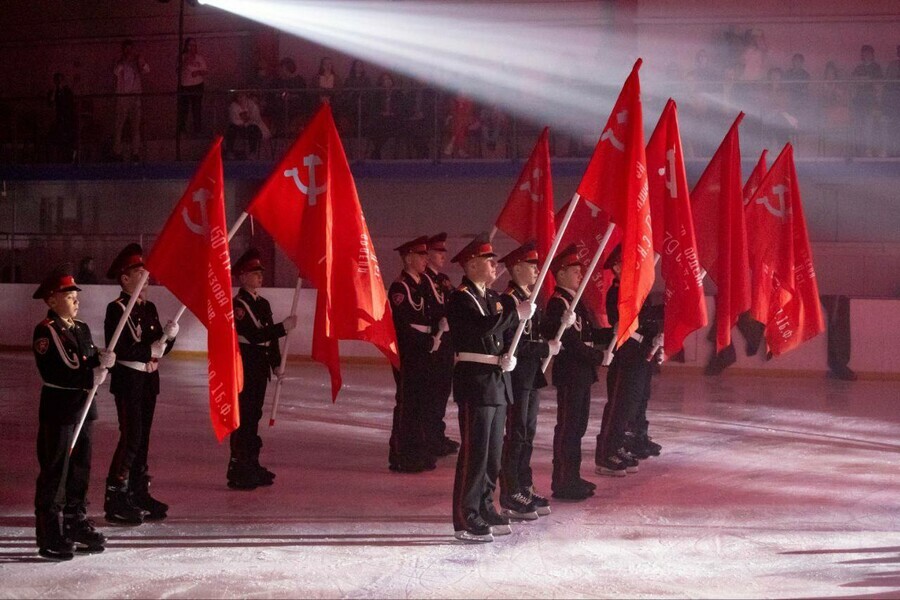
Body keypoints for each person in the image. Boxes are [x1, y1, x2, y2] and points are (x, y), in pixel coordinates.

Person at [447, 233, 533, 542]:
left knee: (493, 455)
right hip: (475, 382)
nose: (495, 264)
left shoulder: (492, 297)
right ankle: (466, 514)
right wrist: (513, 314)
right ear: (471, 266)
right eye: (488, 260)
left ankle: (484, 504)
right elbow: (480, 330)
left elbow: (501, 333)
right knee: (475, 453)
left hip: (497, 382)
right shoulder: (459, 298)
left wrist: (509, 353)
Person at [32, 266, 115, 560]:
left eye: (76, 294)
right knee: (56, 471)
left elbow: (88, 361)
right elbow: (61, 369)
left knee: (80, 470)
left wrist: (103, 359)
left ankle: (75, 522)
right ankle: (49, 532)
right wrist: (92, 373)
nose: (76, 299)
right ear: (52, 300)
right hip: (60, 411)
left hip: (83, 410)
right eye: (69, 294)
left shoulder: (81, 328)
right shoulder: (47, 330)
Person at [104, 244, 177, 524]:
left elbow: (159, 347)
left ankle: (138, 491)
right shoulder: (117, 309)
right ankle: (116, 495)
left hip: (148, 381)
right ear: (125, 279)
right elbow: (120, 348)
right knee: (131, 437)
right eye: (139, 273)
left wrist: (169, 338)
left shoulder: (149, 308)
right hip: (129, 382)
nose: (147, 278)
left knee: (142, 439)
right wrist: (152, 351)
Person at [497, 242, 560, 520]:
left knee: (527, 434)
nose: (537, 271)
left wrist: (561, 324)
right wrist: (546, 349)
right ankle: (511, 491)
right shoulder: (510, 301)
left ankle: (524, 484)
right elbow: (514, 345)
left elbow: (540, 332)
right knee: (517, 434)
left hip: (531, 376)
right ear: (517, 268)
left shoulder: (530, 300)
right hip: (517, 377)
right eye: (532, 266)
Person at [542, 244, 610, 500]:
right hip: (571, 373)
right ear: (560, 274)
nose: (580, 275)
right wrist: (599, 357)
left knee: (578, 427)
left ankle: (573, 475)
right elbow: (571, 343)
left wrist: (613, 333)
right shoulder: (558, 304)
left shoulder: (575, 302)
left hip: (581, 374)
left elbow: (588, 334)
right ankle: (562, 481)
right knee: (568, 427)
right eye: (574, 271)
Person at [228, 249, 296, 489]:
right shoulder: (238, 306)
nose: (259, 277)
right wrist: (282, 328)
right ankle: (238, 467)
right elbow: (255, 335)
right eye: (254, 273)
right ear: (243, 276)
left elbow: (270, 341)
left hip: (260, 367)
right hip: (245, 366)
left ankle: (251, 463)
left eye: (260, 273)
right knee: (244, 418)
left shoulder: (262, 303)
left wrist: (276, 363)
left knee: (254, 416)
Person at [595, 246, 663, 478]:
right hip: (626, 356)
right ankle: (606, 451)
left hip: (639, 356)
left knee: (635, 403)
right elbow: (625, 325)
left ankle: (623, 443)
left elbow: (645, 321)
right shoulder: (617, 292)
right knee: (619, 406)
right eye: (626, 263)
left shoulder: (636, 290)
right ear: (616, 268)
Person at [388, 236, 440, 473]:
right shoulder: (401, 287)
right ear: (408, 258)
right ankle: (401, 454)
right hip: (410, 352)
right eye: (421, 255)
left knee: (423, 403)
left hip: (427, 349)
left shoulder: (424, 283)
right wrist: (427, 340)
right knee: (407, 404)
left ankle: (419, 450)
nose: (425, 259)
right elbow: (401, 326)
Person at [421, 233, 459, 458]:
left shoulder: (443, 279)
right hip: (434, 341)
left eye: (444, 251)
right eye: (438, 251)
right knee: (433, 393)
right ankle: (430, 437)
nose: (443, 255)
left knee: (442, 392)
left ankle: (437, 434)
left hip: (446, 343)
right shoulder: (423, 280)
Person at [113, 40, 149, 161]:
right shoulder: (119, 63)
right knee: (119, 125)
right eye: (126, 49)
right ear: (123, 50)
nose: (128, 52)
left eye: (130, 49)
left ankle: (135, 153)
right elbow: (116, 72)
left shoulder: (137, 63)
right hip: (123, 98)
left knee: (135, 126)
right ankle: (117, 153)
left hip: (135, 98)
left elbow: (147, 70)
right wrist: (123, 62)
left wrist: (141, 62)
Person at [177, 37, 208, 136]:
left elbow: (205, 70)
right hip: (185, 85)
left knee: (197, 108)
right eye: (190, 45)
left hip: (198, 85)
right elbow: (177, 70)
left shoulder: (199, 58)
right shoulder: (182, 57)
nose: (192, 47)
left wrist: (198, 72)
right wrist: (186, 60)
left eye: (194, 45)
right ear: (186, 46)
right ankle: (182, 130)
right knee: (184, 109)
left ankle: (197, 130)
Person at [225, 92, 269, 159]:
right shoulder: (233, 106)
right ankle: (230, 152)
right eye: (239, 97)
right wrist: (244, 123)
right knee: (231, 129)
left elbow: (255, 118)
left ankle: (252, 152)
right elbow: (234, 120)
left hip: (252, 127)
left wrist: (248, 121)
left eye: (242, 96)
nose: (241, 99)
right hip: (239, 128)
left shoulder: (251, 105)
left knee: (253, 129)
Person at [48, 72, 77, 162]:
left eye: (60, 80)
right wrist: (55, 90)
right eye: (57, 80)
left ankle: (71, 157)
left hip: (68, 119)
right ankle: (58, 158)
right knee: (58, 138)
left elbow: (70, 103)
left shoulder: (67, 91)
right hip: (57, 119)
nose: (59, 82)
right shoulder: (53, 92)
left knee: (69, 138)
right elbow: (50, 103)